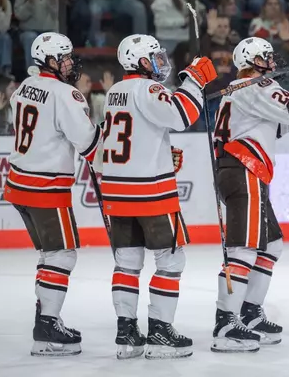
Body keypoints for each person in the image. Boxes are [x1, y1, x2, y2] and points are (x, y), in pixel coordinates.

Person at [211, 37, 289, 352]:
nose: (272, 62)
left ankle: (250, 312)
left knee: (271, 244)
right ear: (253, 60)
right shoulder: (254, 87)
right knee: (244, 250)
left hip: (242, 172)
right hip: (244, 172)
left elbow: (285, 121)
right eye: (267, 57)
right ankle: (226, 322)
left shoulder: (245, 91)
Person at [99, 34, 217, 359]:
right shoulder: (147, 88)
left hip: (117, 190)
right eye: (153, 57)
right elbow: (180, 116)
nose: (160, 62)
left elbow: (134, 132)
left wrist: (162, 152)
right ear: (139, 62)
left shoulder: (115, 92)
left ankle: (126, 334)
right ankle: (160, 333)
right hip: (151, 191)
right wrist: (194, 81)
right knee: (171, 260)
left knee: (127, 262)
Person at [3, 32, 102, 356]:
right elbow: (88, 143)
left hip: (19, 184)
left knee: (50, 255)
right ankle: (46, 328)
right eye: (65, 57)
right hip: (45, 187)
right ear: (49, 61)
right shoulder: (65, 94)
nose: (71, 62)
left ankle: (45, 316)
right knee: (62, 254)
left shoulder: (22, 88)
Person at [15, 0, 59, 69]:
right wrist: (29, 3)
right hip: (28, 31)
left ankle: (51, 75)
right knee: (31, 38)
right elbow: (19, 15)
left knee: (51, 39)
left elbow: (57, 14)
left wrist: (52, 2)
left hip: (49, 30)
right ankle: (34, 74)